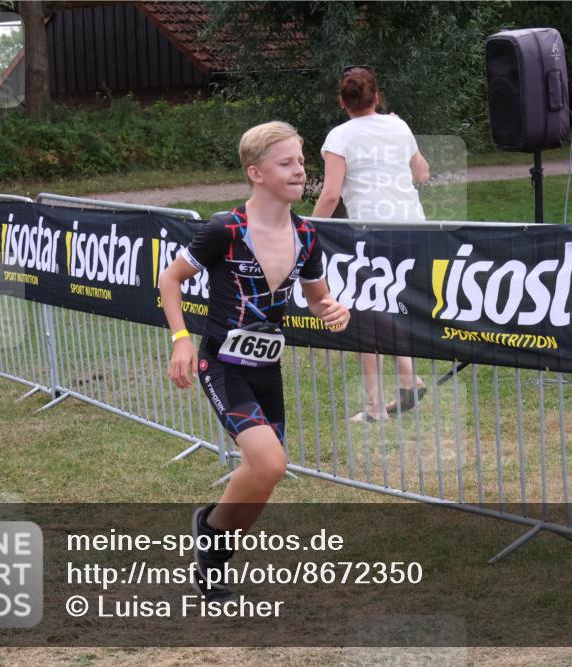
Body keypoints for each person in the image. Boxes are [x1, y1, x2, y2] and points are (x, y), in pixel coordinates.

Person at [159, 121, 350, 600]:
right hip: (221, 364)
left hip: (267, 366)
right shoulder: (226, 229)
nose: (299, 171)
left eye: (301, 162)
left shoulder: (307, 235)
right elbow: (169, 279)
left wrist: (333, 310)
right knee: (266, 462)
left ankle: (213, 541)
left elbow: (318, 297)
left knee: (268, 473)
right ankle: (211, 534)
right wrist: (182, 339)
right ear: (256, 173)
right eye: (286, 163)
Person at [312, 65, 431, 423]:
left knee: (363, 311)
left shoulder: (340, 136)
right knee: (388, 304)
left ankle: (375, 406)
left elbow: (331, 193)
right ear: (376, 97)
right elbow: (422, 173)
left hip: (371, 233)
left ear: (342, 102)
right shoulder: (398, 125)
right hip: (413, 229)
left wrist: (308, 228)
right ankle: (409, 380)